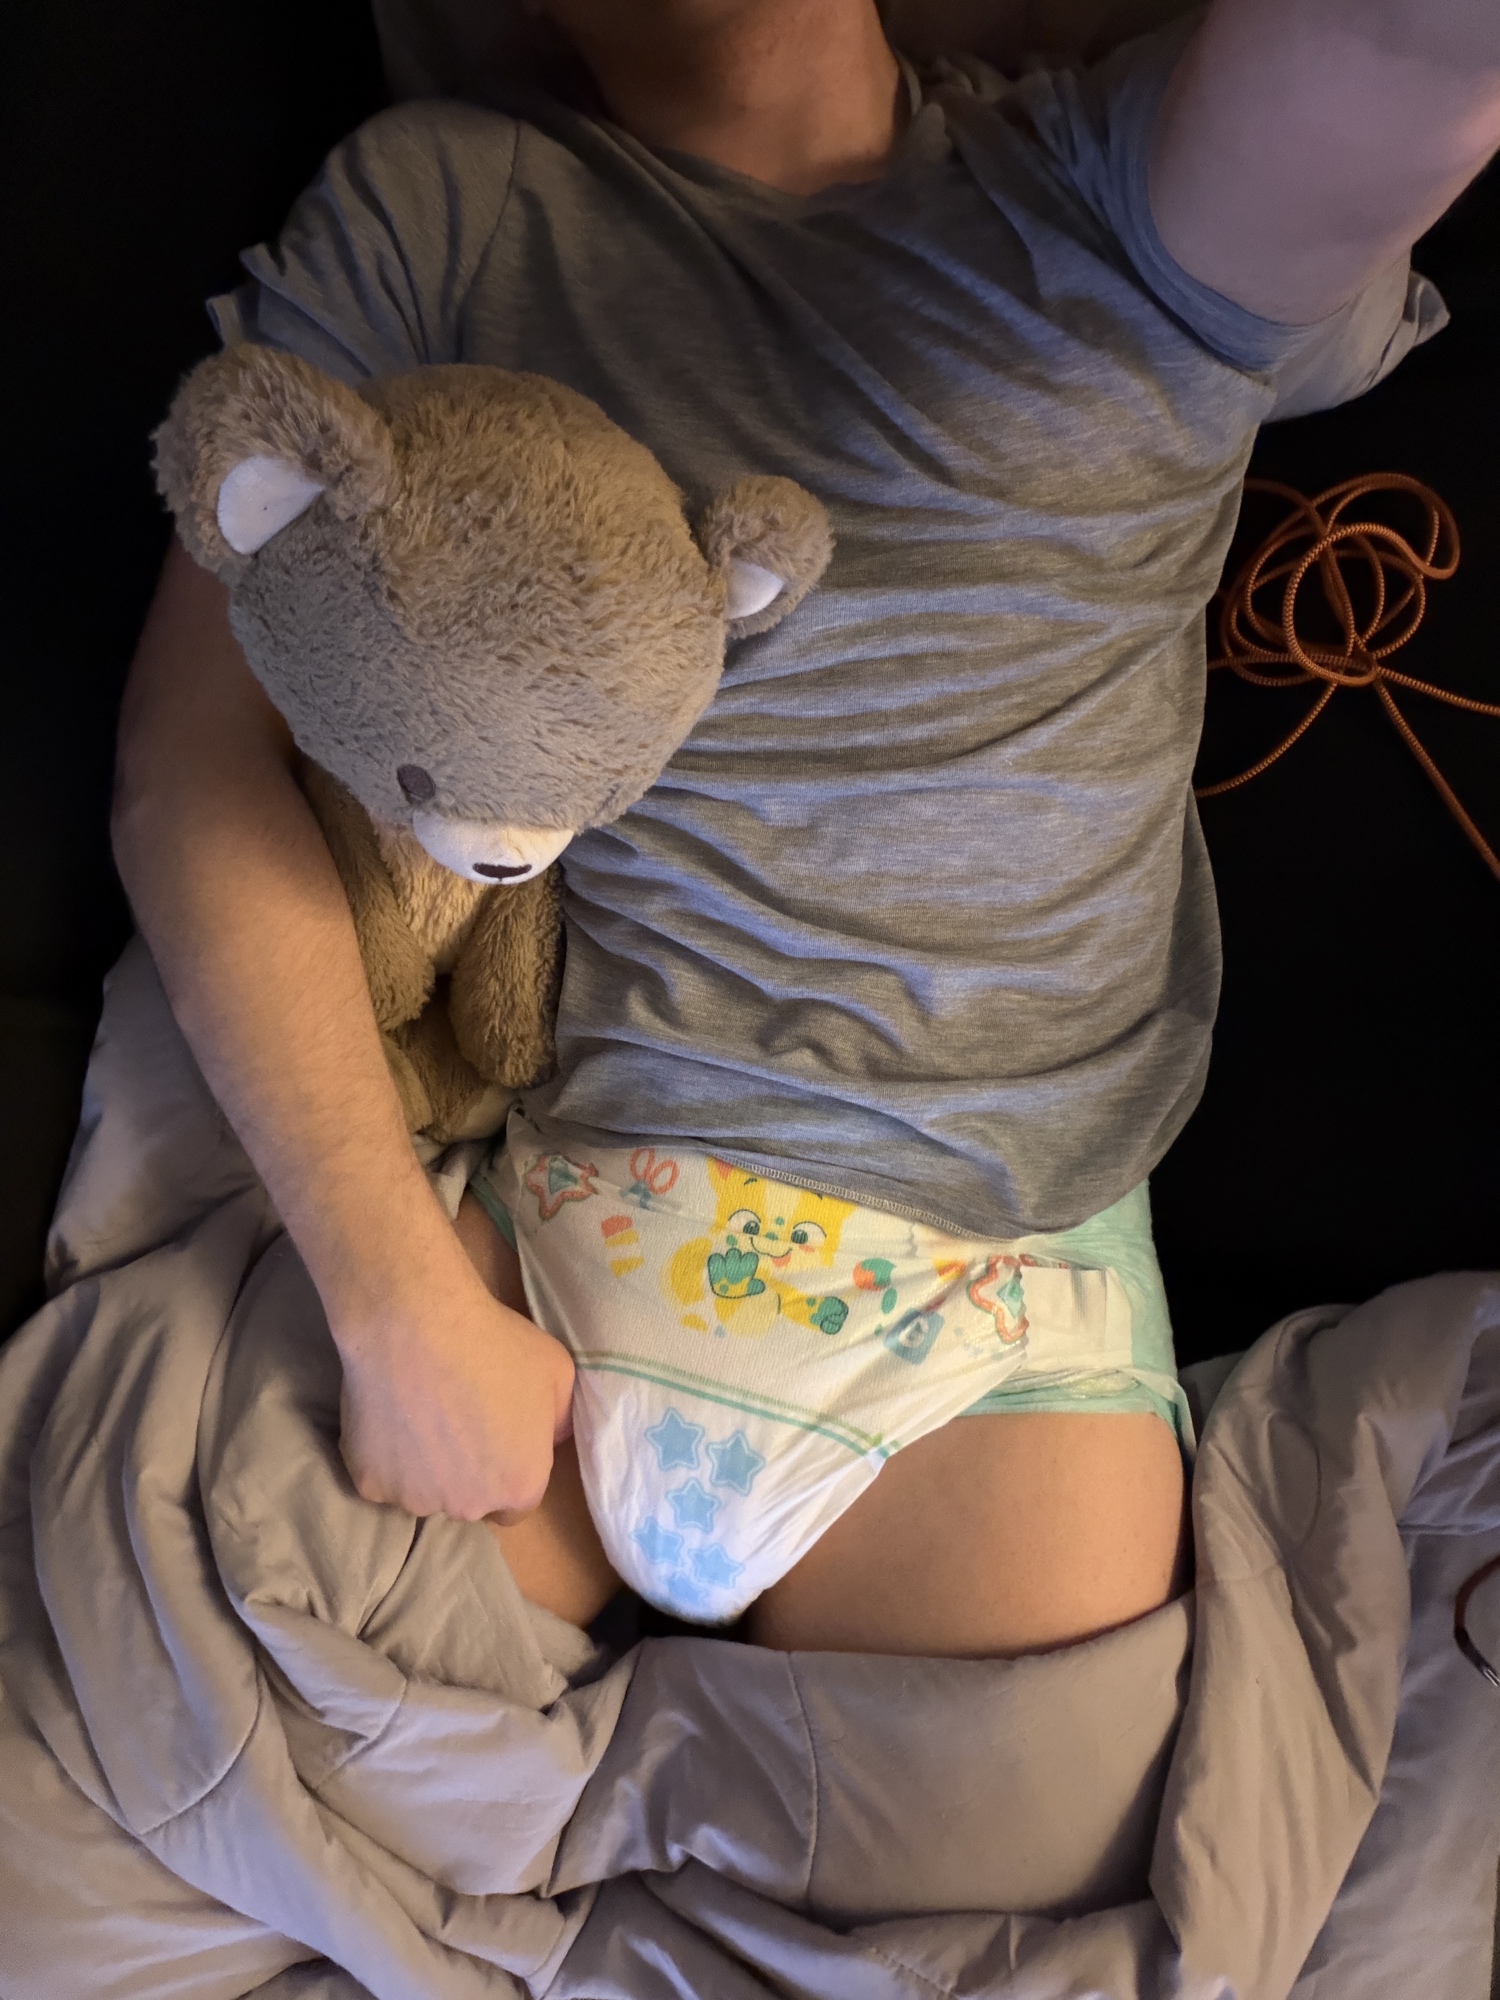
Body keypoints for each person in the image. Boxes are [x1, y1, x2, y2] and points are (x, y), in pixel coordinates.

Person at [111, 0, 1500, 1656]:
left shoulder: (1119, 187)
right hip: (555, 1230)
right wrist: (390, 1291)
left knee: (1039, 1814)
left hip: (991, 1304)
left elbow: (1406, 49)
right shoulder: (441, 205)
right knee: (180, 1692)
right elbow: (194, 761)